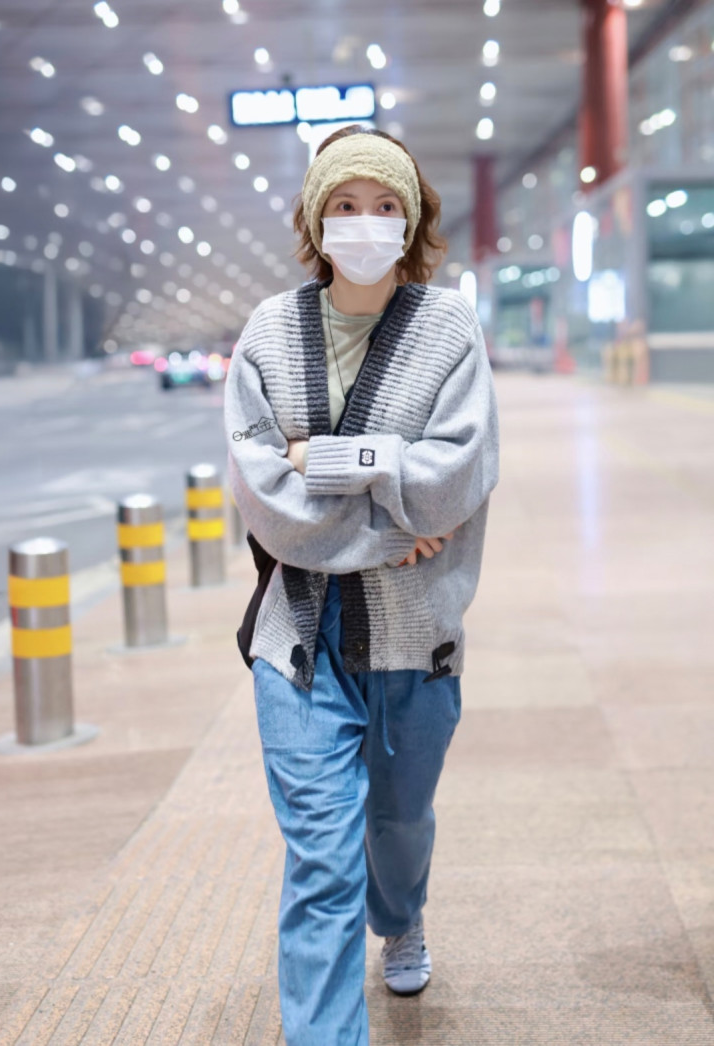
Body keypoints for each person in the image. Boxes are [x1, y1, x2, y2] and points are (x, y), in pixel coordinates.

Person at [224, 124, 499, 1046]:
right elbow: (265, 496)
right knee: (321, 858)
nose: (365, 222)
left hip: (418, 635)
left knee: (399, 822)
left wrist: (325, 458)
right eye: (344, 204)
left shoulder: (448, 327)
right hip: (298, 642)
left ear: (411, 220)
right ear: (315, 220)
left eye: (385, 205)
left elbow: (455, 479)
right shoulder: (268, 334)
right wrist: (391, 520)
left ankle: (403, 916)